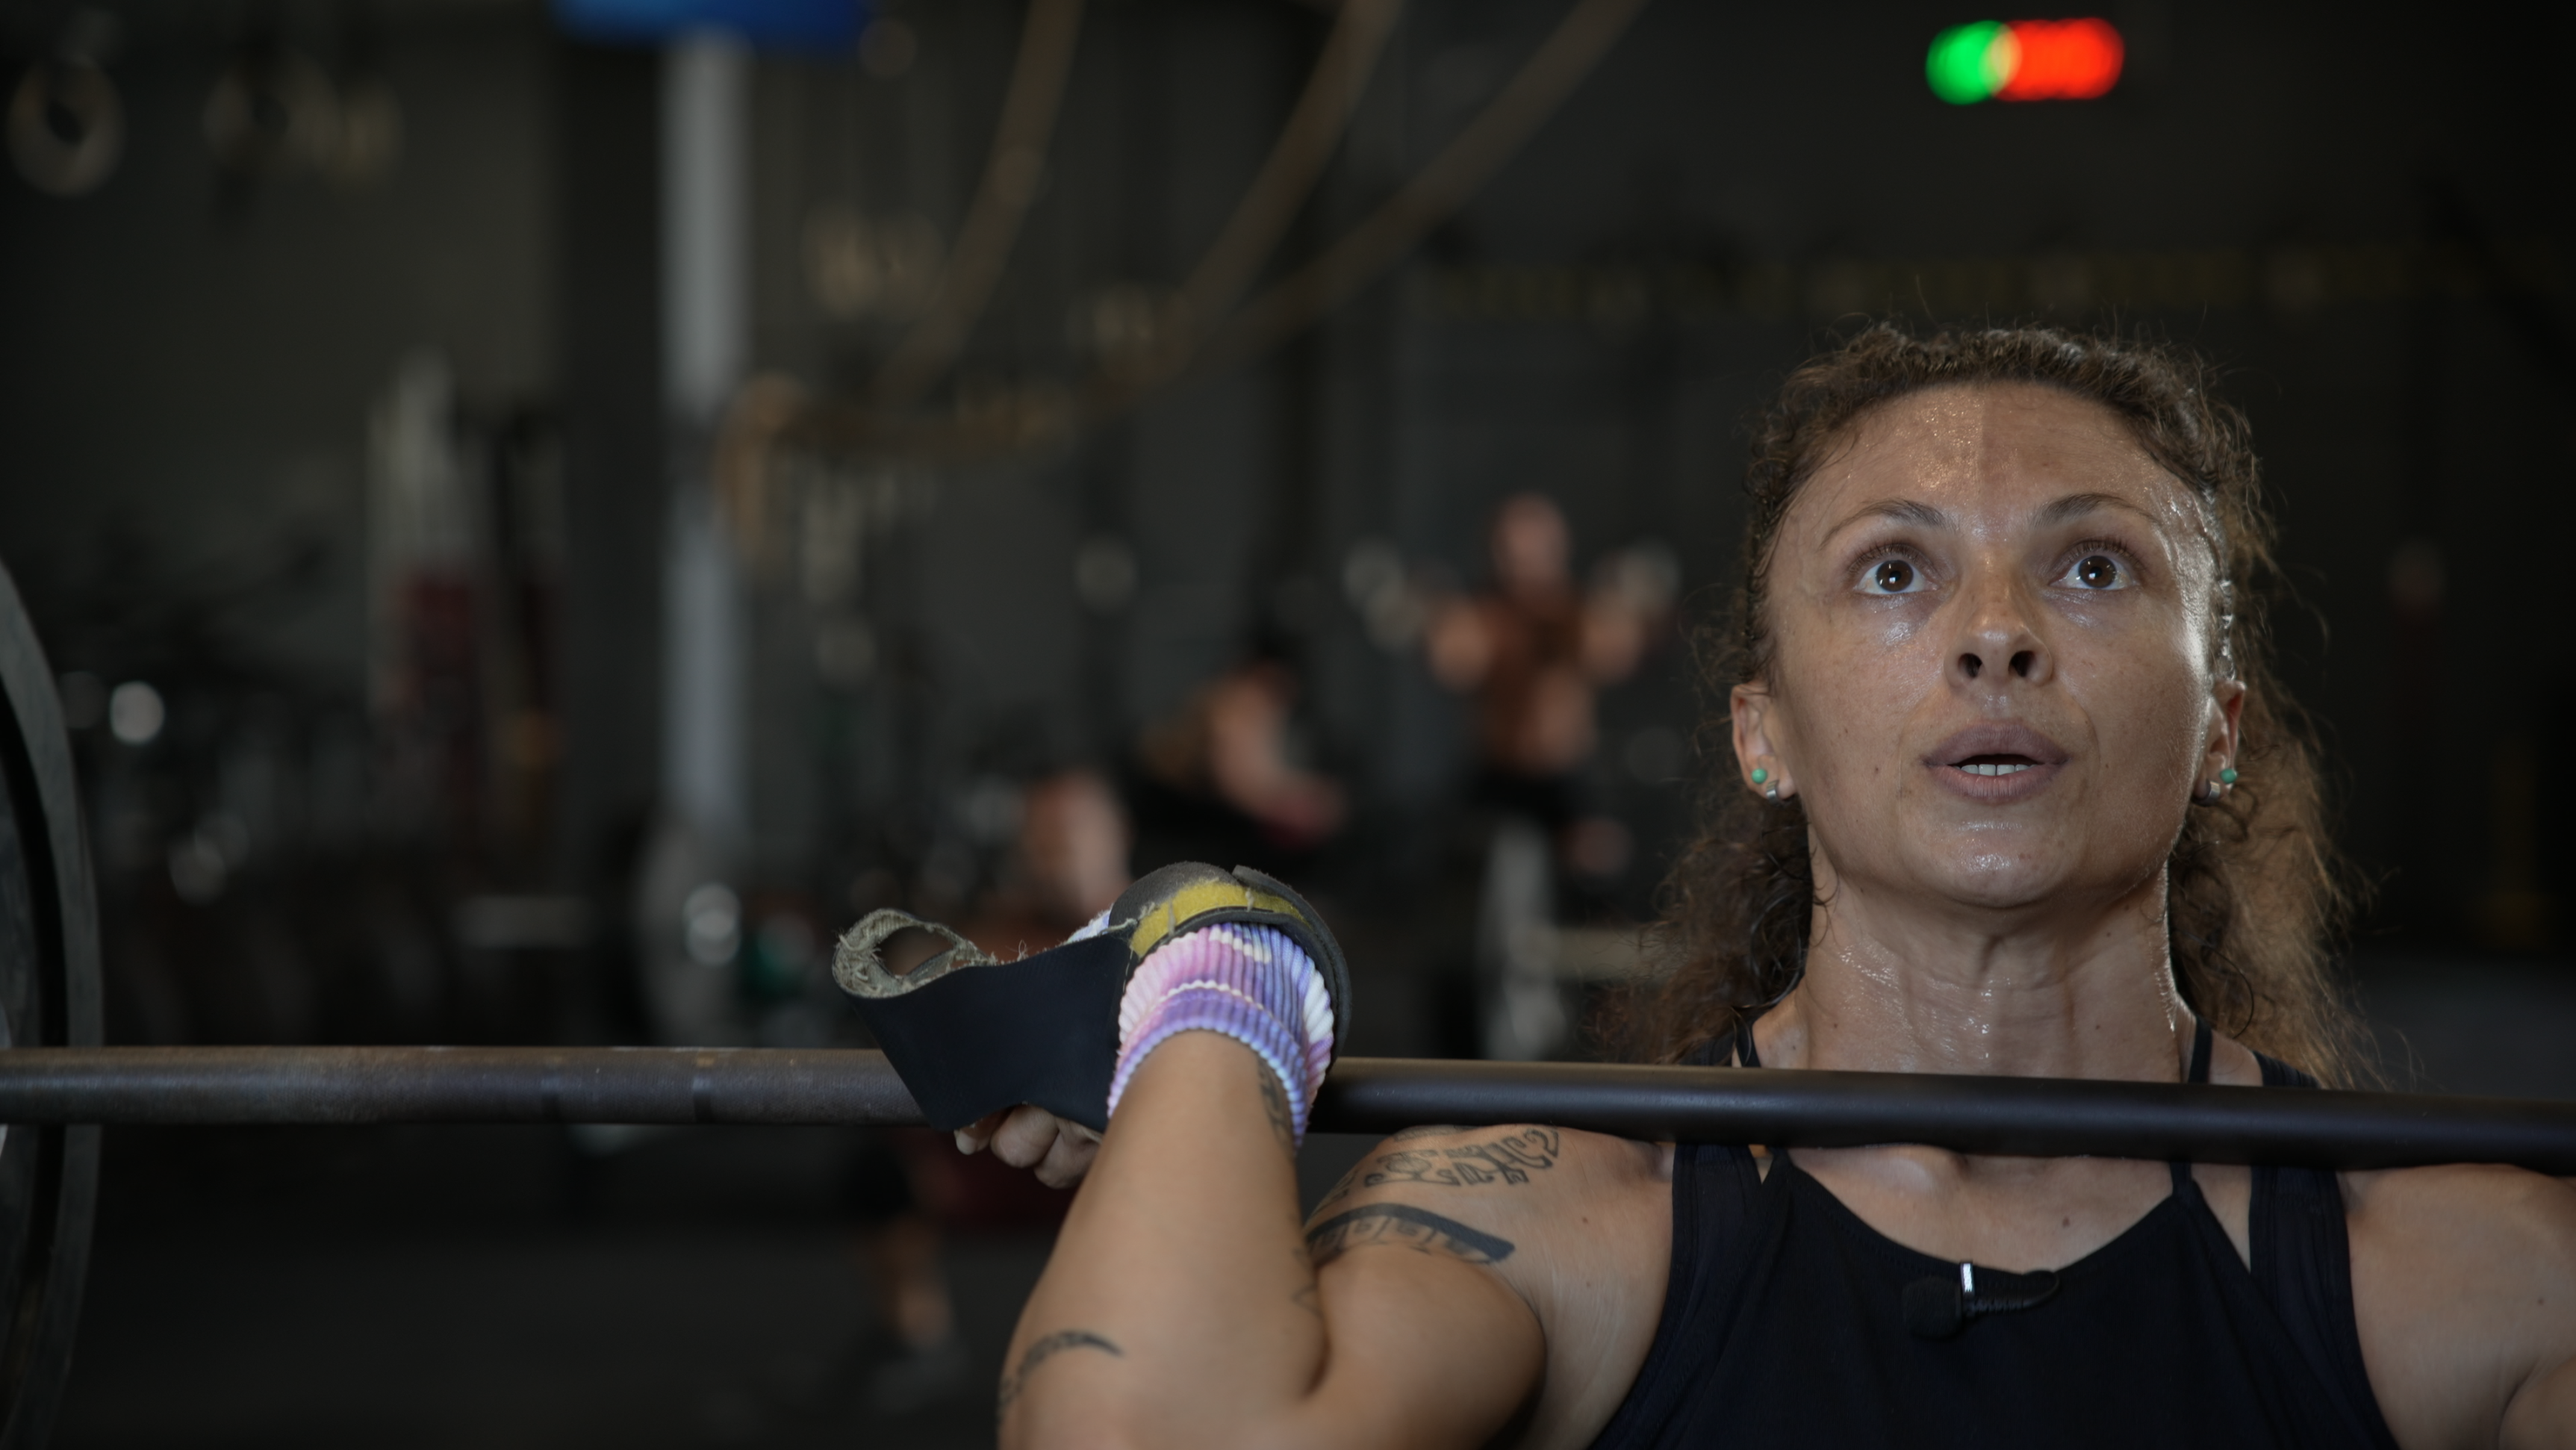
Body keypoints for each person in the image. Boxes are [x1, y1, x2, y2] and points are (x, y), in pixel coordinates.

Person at [950, 325, 2576, 1446]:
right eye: (1894, 569)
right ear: (1766, 733)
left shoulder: (2468, 1277)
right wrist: (1226, 987)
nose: (1993, 629)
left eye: (2094, 565)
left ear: (2218, 726)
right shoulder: (1575, 1225)